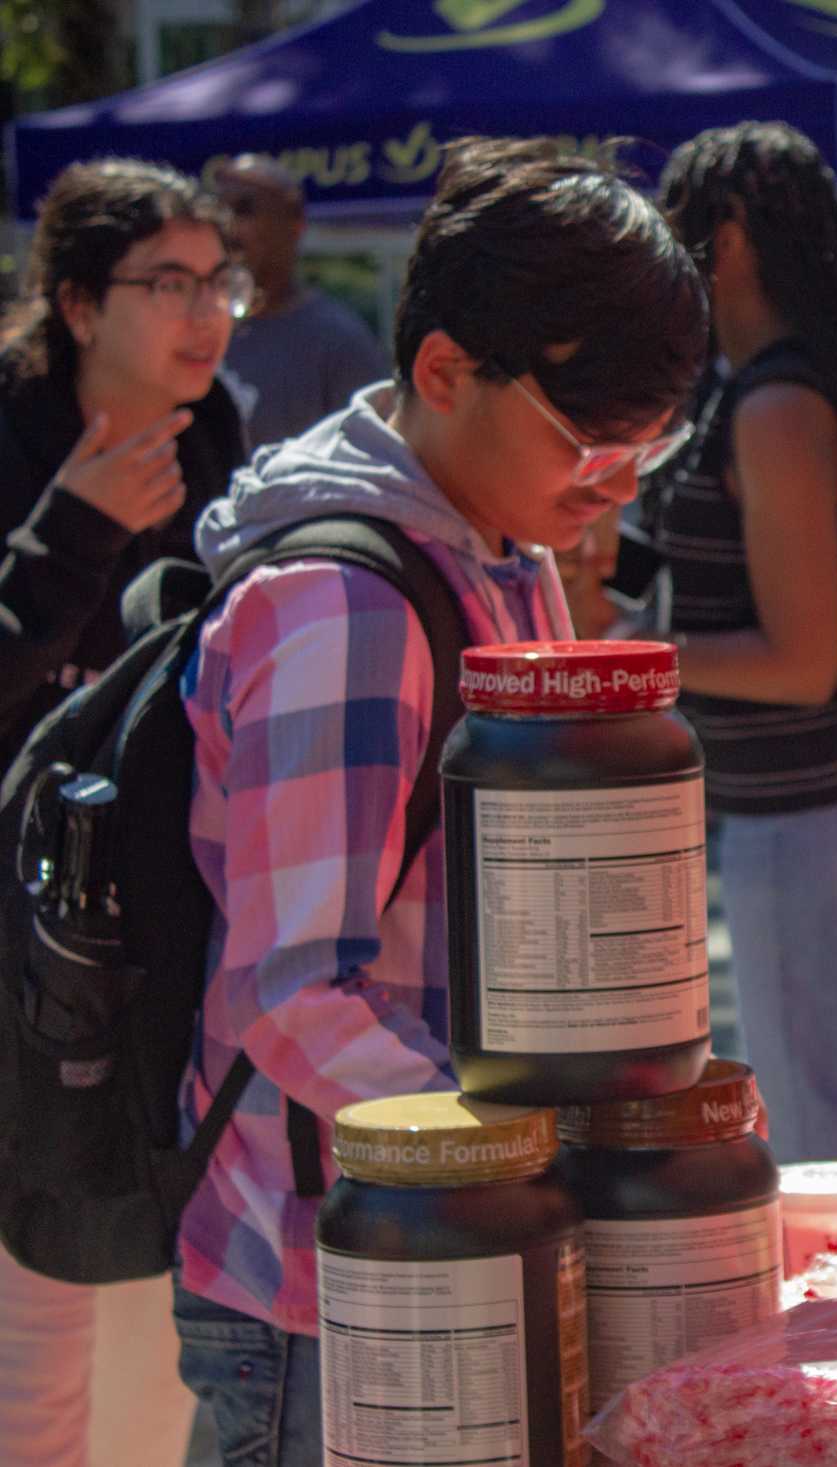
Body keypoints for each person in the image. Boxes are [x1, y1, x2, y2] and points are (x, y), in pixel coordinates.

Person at [172, 138, 707, 1462]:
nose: (615, 486)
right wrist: (535, 1163)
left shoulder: (498, 550)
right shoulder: (341, 609)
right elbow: (293, 991)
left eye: (652, 445)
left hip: (458, 1243)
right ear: (443, 372)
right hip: (340, 1286)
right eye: (589, 439)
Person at [0, 157, 249, 1467]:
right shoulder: (16, 440)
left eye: (222, 282)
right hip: (21, 946)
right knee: (34, 1318)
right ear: (81, 305)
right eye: (170, 284)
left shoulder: (221, 444)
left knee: (159, 1333)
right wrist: (71, 536)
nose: (206, 313)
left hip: (155, 936)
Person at [654, 122, 837, 1227]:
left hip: (805, 815)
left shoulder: (776, 406)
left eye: (677, 229)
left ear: (725, 240)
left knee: (826, 1132)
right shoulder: (770, 391)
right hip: (804, 815)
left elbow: (802, 661)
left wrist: (632, 665)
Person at [208, 155, 387, 449]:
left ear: (295, 222)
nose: (228, 228)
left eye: (244, 209)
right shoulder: (200, 329)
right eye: (219, 212)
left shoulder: (339, 342)